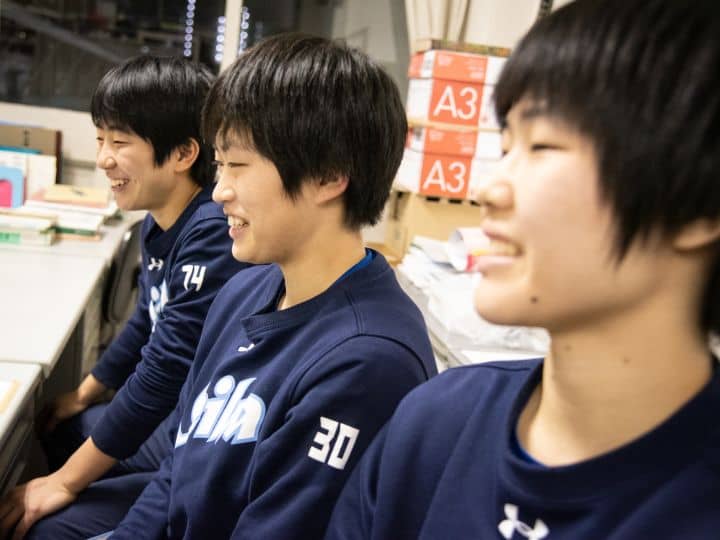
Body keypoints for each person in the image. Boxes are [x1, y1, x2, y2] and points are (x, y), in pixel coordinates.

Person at [325, 1, 720, 538]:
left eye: (542, 146)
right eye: (506, 147)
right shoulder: (436, 426)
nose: (487, 190)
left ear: (697, 211)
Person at [105, 33, 437, 539]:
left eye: (238, 165)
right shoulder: (242, 292)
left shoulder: (368, 361)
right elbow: (180, 460)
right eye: (219, 165)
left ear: (328, 175)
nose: (220, 192)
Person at [0, 55, 249, 539]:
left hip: (193, 427)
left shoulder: (211, 233)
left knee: (48, 517)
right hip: (175, 413)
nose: (102, 159)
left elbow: (162, 372)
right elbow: (145, 322)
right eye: (99, 140)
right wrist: (83, 393)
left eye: (119, 142)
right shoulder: (157, 220)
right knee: (62, 421)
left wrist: (63, 482)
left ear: (183, 153)